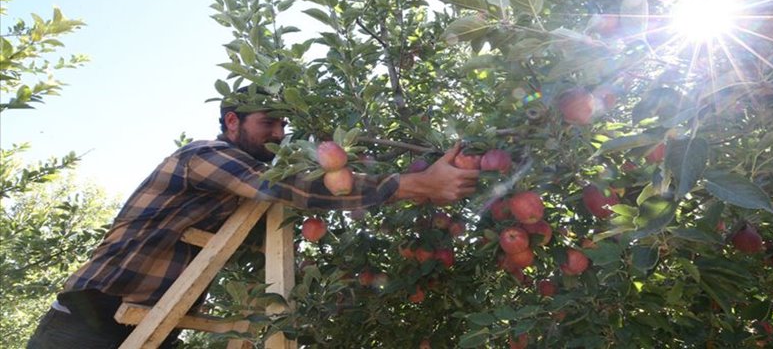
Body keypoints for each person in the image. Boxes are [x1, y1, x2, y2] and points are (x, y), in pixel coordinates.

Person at [27, 88, 480, 348]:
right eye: (268, 123)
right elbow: (286, 187)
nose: (279, 136)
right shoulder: (204, 156)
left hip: (151, 327)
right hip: (86, 319)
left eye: (284, 127)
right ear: (231, 122)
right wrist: (415, 184)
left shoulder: (237, 182)